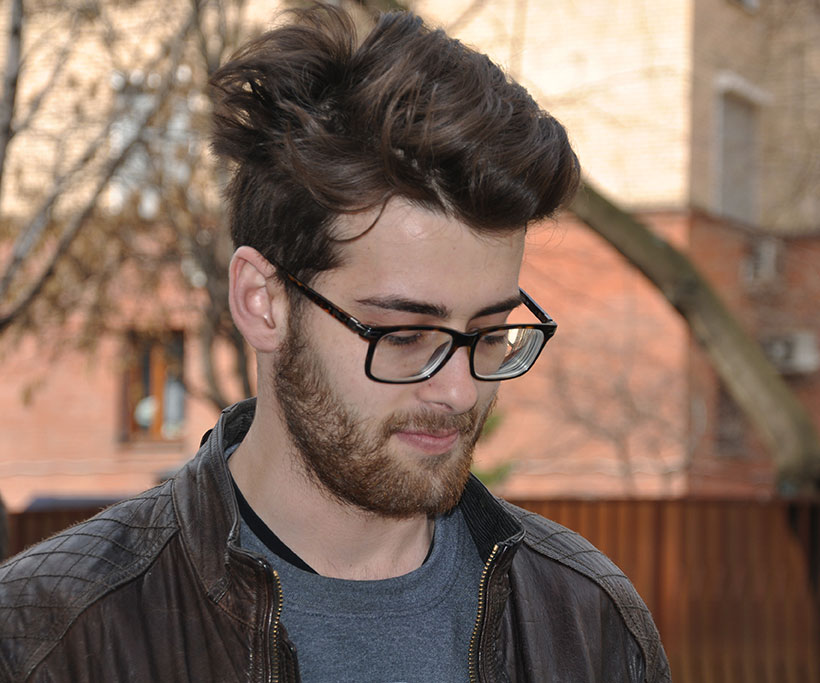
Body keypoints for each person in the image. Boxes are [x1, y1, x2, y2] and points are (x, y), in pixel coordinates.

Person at [0, 4, 670, 681]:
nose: (460, 390)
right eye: (405, 334)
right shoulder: (53, 636)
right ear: (263, 302)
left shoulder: (587, 623)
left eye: (488, 333)